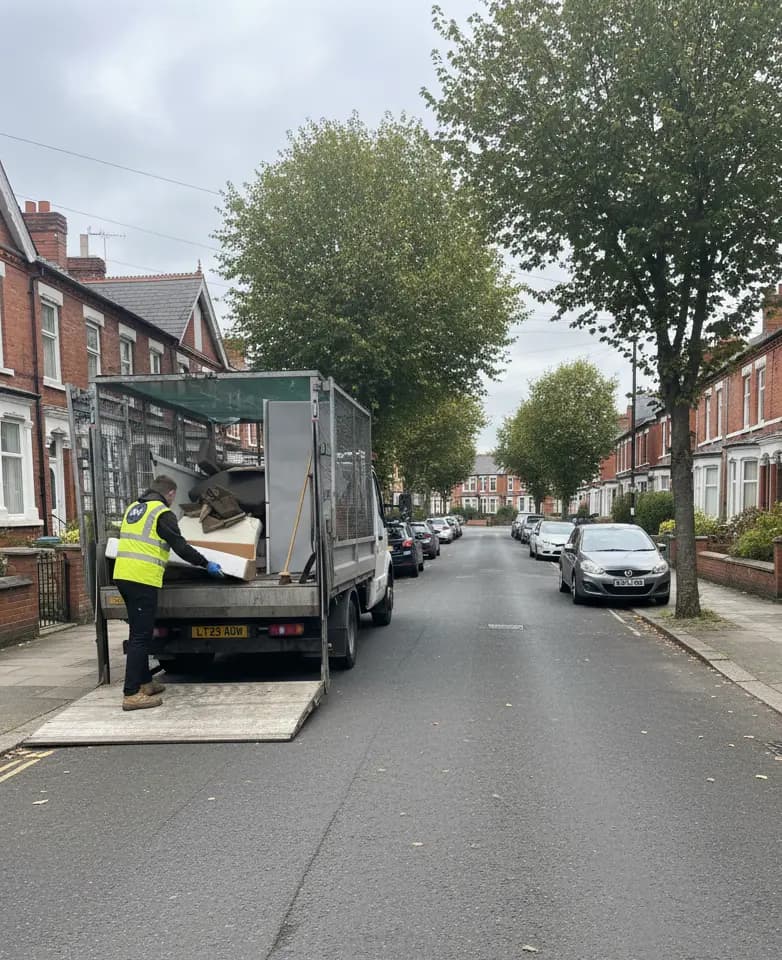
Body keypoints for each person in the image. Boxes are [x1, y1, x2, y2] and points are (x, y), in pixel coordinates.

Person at [113, 475, 223, 711]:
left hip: (124, 575)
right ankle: (131, 693)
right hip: (142, 578)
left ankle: (144, 683)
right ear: (170, 494)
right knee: (140, 638)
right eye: (174, 496)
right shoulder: (161, 513)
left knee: (138, 633)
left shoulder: (135, 508)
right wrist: (206, 564)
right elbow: (180, 546)